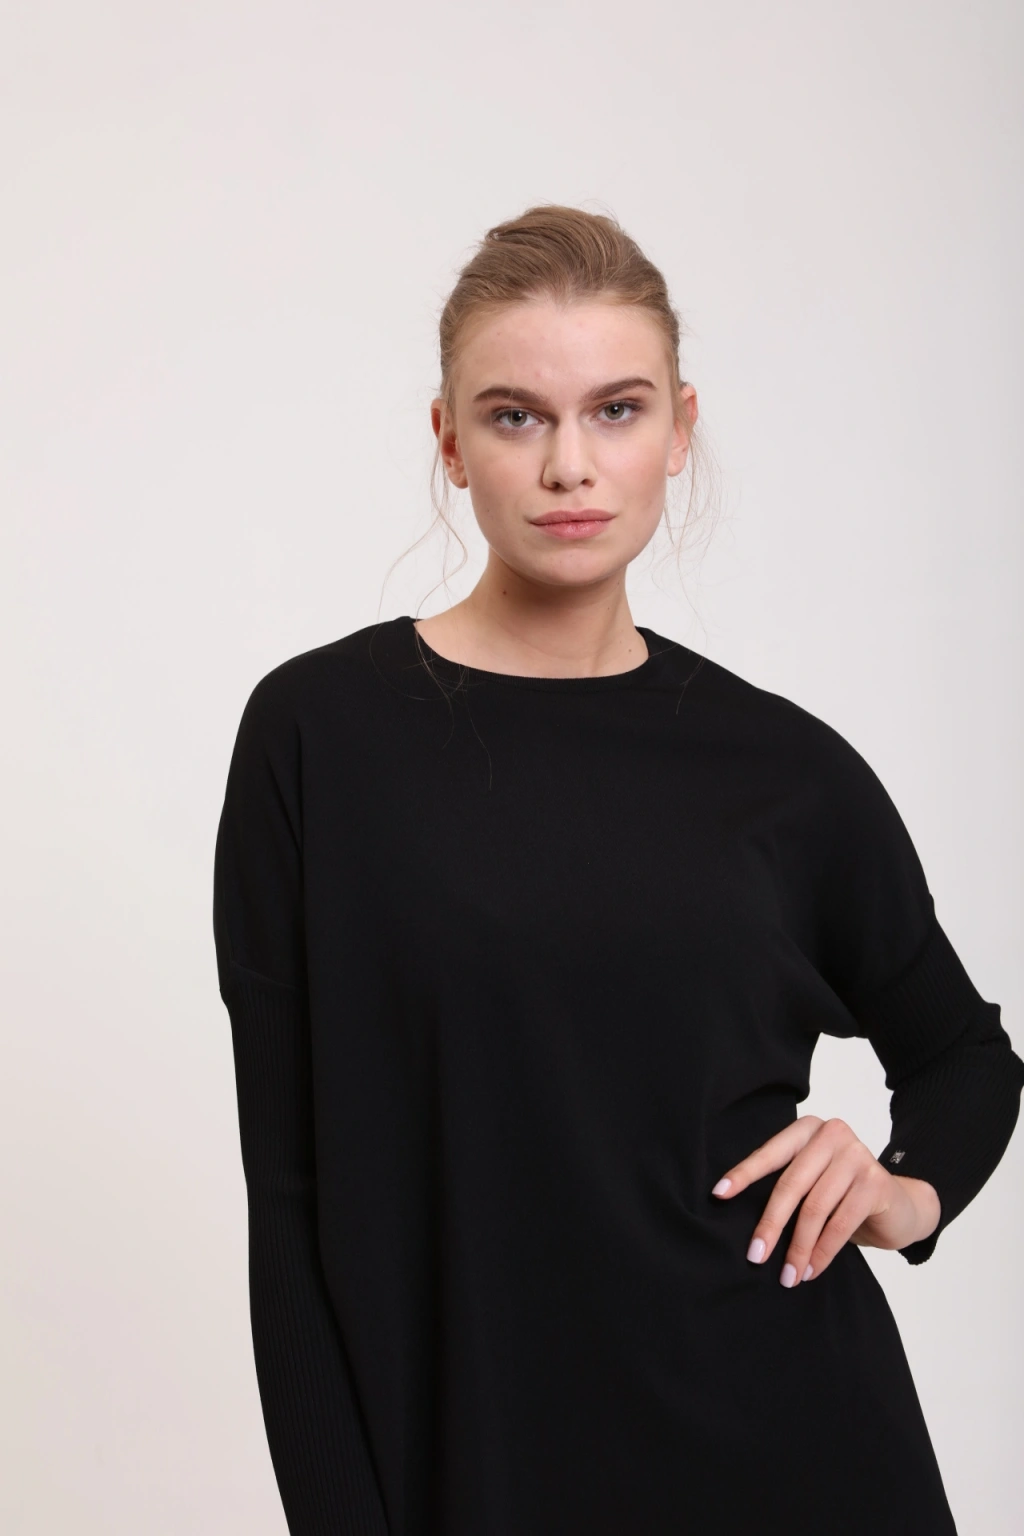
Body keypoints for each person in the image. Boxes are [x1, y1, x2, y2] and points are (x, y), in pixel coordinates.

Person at [212, 204, 1024, 1535]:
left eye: (617, 410)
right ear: (449, 441)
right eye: (516, 416)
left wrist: (902, 1189)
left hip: (798, 1452)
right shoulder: (319, 737)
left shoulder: (785, 771)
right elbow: (292, 1201)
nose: (569, 466)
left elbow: (964, 1056)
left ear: (680, 430)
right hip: (481, 1469)